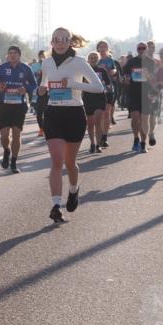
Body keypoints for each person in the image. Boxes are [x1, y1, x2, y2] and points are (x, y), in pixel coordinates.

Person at [38, 29, 104, 223]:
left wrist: (74, 84)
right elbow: (44, 84)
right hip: (53, 114)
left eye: (64, 40)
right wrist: (41, 89)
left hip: (74, 114)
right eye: (56, 40)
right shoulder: (46, 62)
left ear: (70, 42)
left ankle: (74, 190)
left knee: (69, 162)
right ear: (52, 42)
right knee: (57, 161)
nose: (60, 43)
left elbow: (98, 87)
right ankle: (56, 206)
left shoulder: (79, 62)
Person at [0, 45, 37, 173]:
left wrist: (25, 89)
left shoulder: (26, 68)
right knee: (4, 136)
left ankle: (14, 162)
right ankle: (6, 150)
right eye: (10, 53)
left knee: (16, 134)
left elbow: (34, 84)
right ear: (7, 55)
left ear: (19, 55)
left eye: (15, 53)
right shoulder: (2, 68)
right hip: (4, 105)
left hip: (19, 106)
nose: (12, 55)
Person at [123, 42, 158, 152]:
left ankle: (143, 143)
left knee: (144, 120)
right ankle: (136, 138)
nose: (141, 50)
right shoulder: (131, 61)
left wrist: (149, 76)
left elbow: (155, 79)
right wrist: (126, 79)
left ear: (147, 49)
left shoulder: (151, 62)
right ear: (137, 50)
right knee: (135, 118)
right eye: (139, 48)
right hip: (133, 93)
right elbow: (125, 74)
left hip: (146, 94)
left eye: (143, 48)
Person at [84, 52, 113, 154]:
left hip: (100, 98)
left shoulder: (102, 70)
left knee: (98, 121)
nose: (93, 59)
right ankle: (92, 144)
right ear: (88, 59)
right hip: (88, 98)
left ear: (98, 59)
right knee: (90, 124)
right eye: (91, 58)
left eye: (95, 58)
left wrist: (109, 96)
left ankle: (98, 145)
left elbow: (108, 84)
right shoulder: (84, 71)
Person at [95, 40, 122, 132]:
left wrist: (113, 72)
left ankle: (104, 131)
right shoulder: (95, 58)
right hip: (97, 87)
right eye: (101, 46)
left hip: (109, 87)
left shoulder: (110, 60)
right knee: (100, 111)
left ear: (107, 48)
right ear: (98, 48)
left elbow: (114, 70)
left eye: (105, 46)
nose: (103, 48)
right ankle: (100, 127)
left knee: (106, 110)